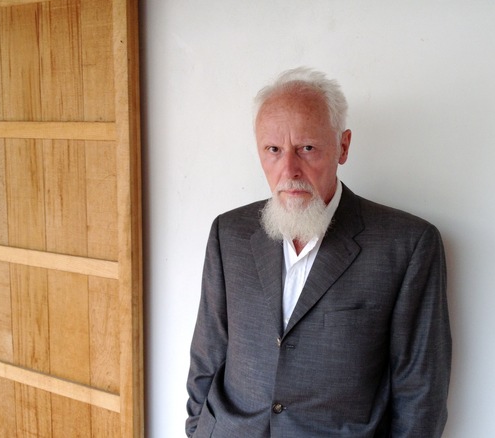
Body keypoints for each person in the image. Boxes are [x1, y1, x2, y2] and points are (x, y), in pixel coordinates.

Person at [185, 67, 451, 437]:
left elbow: (420, 390)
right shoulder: (228, 233)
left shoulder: (407, 245)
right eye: (273, 150)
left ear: (343, 146)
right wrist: (197, 430)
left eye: (306, 148)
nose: (289, 169)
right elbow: (208, 354)